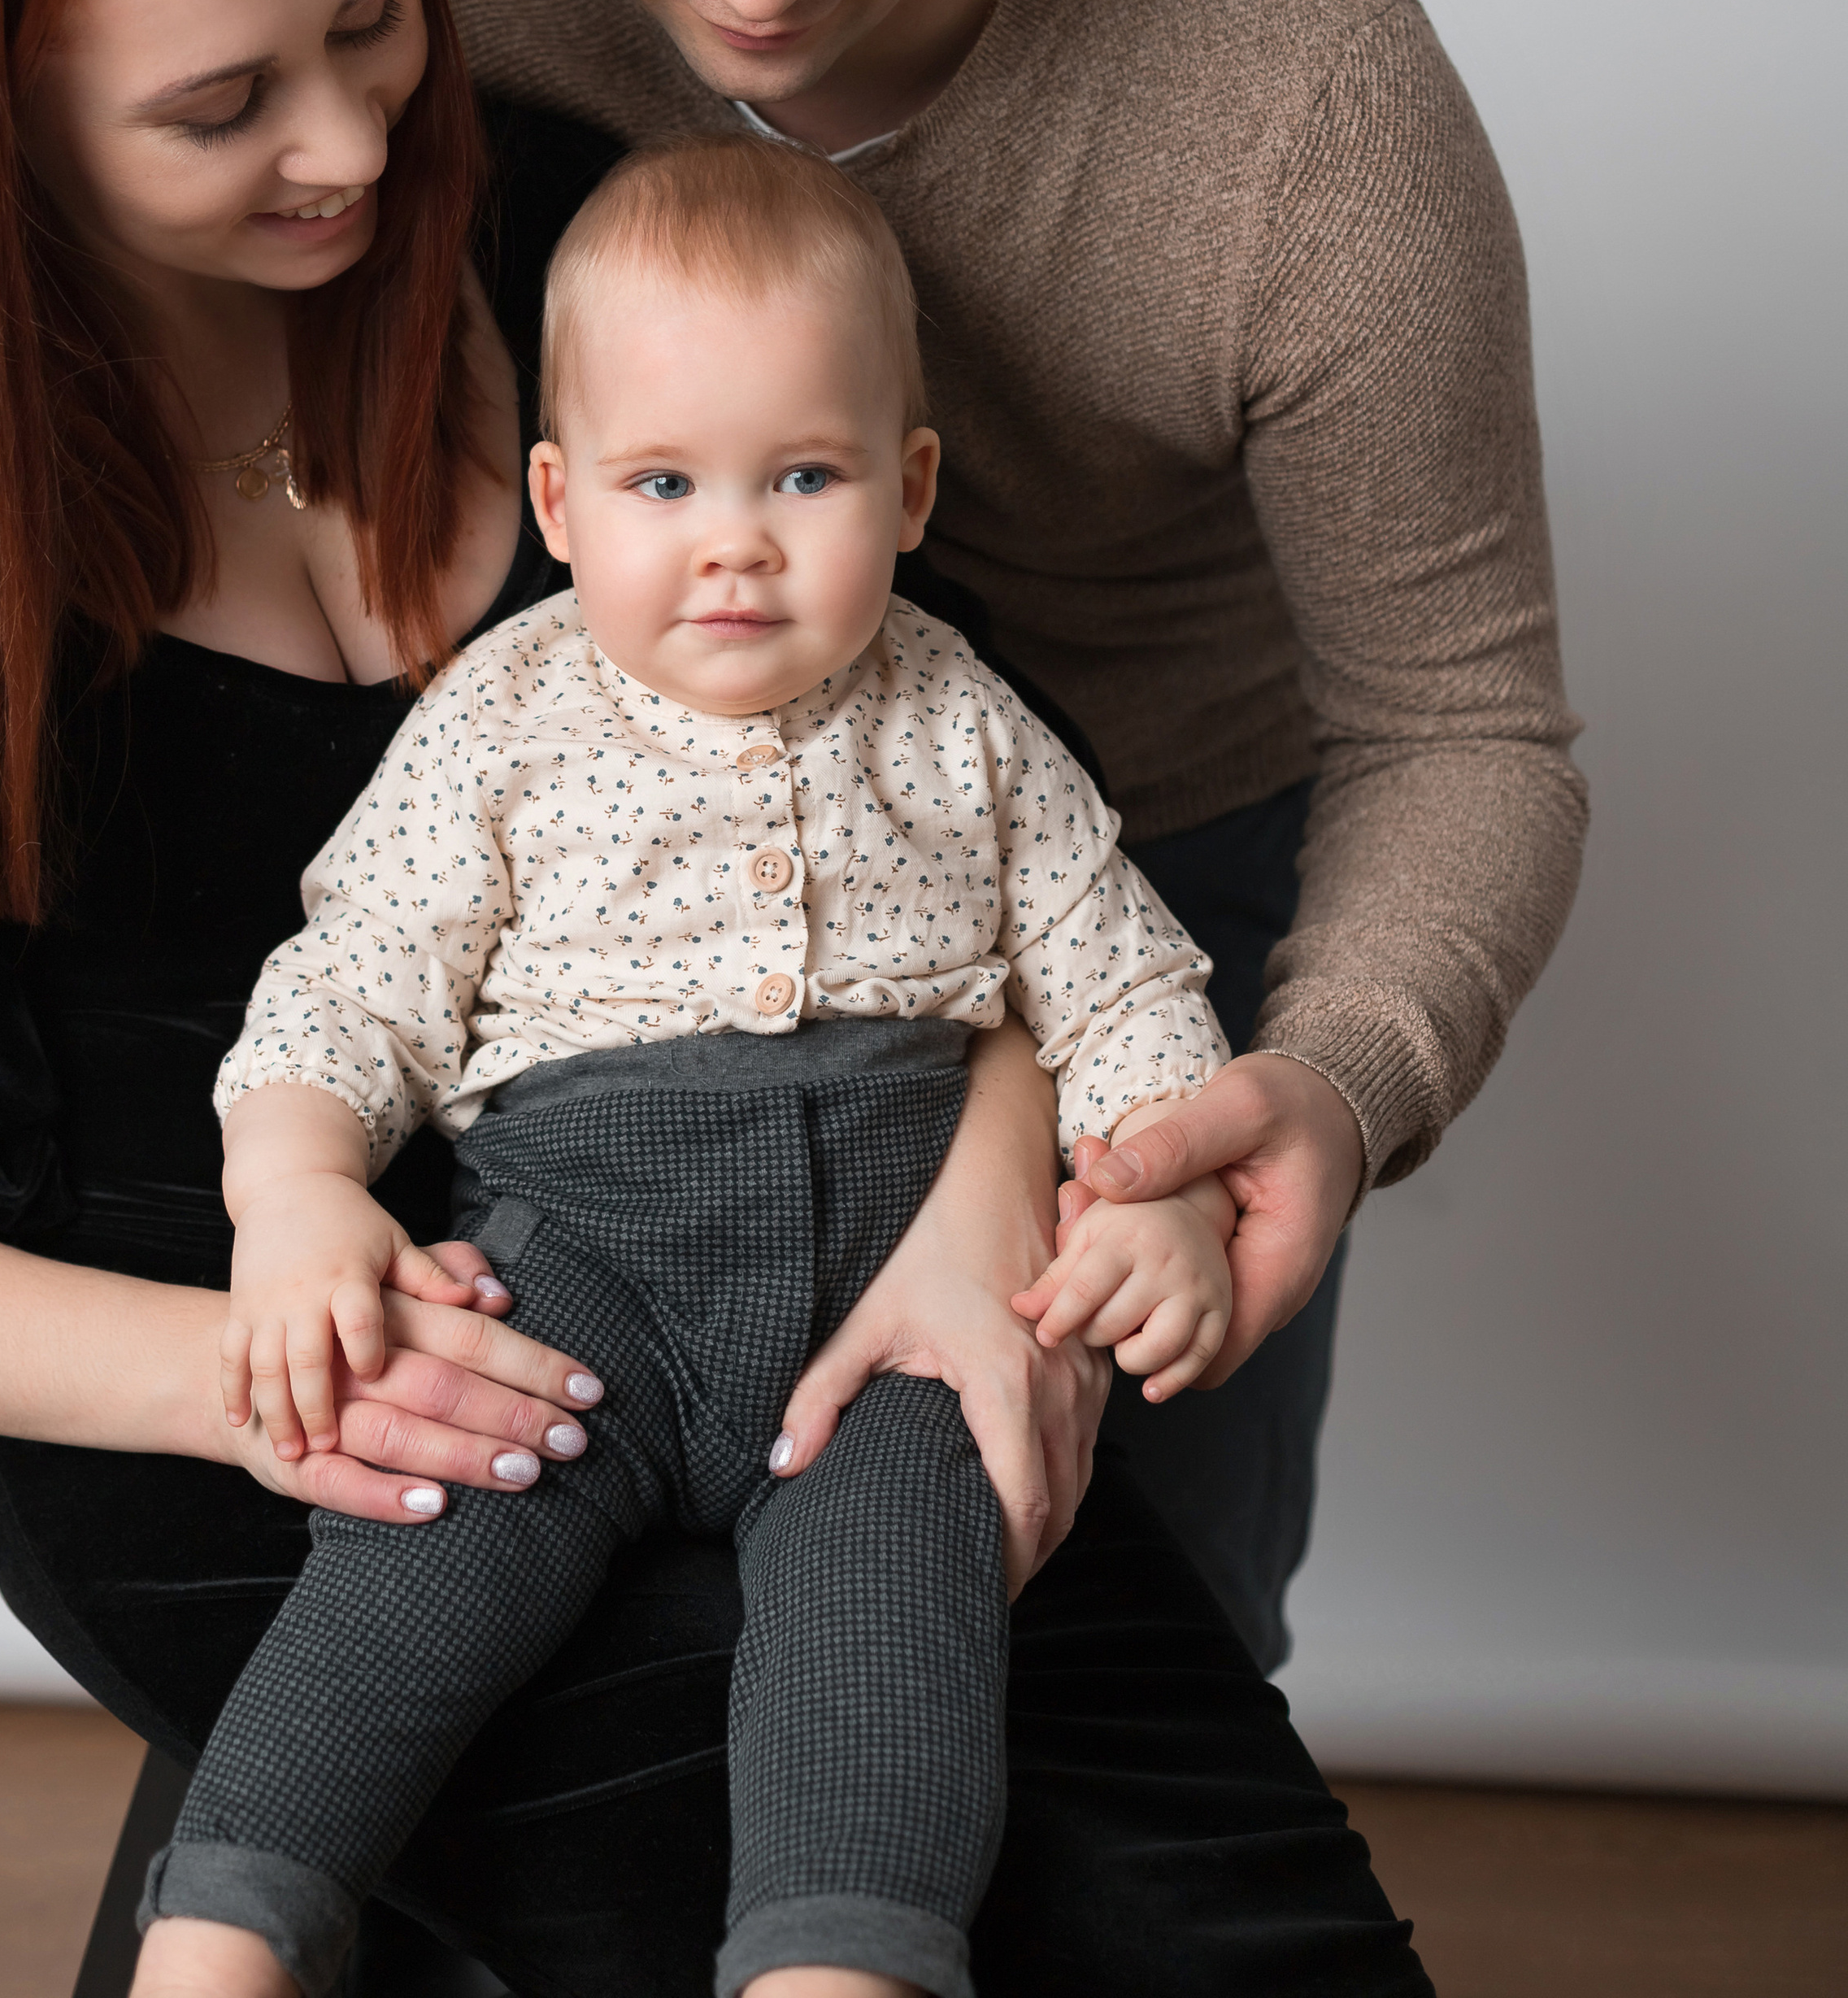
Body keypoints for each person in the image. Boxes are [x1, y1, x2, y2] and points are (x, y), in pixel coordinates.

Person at [0, 0, 1431, 1992]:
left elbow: (949, 815)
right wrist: (283, 1365)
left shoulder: (565, 232)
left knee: (1220, 1905)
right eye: (221, 105)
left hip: (846, 1309)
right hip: (278, 1437)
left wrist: (985, 1217)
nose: (351, 143)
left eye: (373, 16)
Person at [410, 0, 1591, 1671]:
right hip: (612, 864)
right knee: (534, 1657)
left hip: (1155, 892)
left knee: (1136, 1666)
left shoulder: (1309, 112)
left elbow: (1462, 727)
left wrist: (1330, 1081)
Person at [138, 136, 1234, 1998]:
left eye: (802, 477)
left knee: (893, 1653)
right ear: (559, 502)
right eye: (663, 483)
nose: (734, 541)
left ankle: (835, 1968)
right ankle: (223, 1936)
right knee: (403, 1578)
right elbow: (352, 986)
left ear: (908, 488)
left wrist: (1165, 1189)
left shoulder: (964, 722)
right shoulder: (500, 716)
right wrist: (297, 1193)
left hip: (891, 1311)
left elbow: (1114, 982)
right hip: (585, 1273)